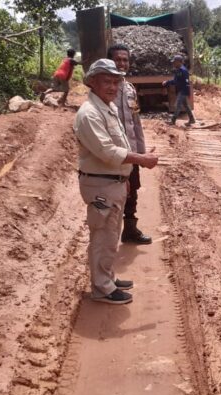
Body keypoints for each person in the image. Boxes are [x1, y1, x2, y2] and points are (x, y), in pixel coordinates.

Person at [73, 58, 159, 304]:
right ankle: (102, 288)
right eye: (106, 82)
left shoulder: (106, 107)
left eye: (115, 82)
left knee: (111, 235)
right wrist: (141, 159)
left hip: (111, 182)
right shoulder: (89, 114)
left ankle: (107, 277)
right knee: (102, 236)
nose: (112, 87)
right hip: (101, 184)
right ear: (92, 83)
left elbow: (118, 146)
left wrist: (124, 177)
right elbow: (108, 152)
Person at [107, 44, 152, 244]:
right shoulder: (106, 89)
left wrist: (141, 153)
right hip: (112, 155)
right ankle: (107, 234)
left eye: (125, 60)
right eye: (118, 59)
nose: (122, 63)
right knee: (110, 195)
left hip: (131, 153)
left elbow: (136, 123)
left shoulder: (130, 89)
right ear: (110, 61)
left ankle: (130, 230)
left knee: (131, 191)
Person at [162, 55, 196, 126]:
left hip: (183, 91)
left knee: (177, 105)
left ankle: (173, 121)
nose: (173, 64)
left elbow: (177, 82)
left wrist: (167, 82)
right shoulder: (180, 70)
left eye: (174, 62)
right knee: (186, 105)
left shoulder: (182, 70)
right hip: (182, 90)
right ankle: (192, 119)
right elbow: (176, 81)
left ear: (178, 62)